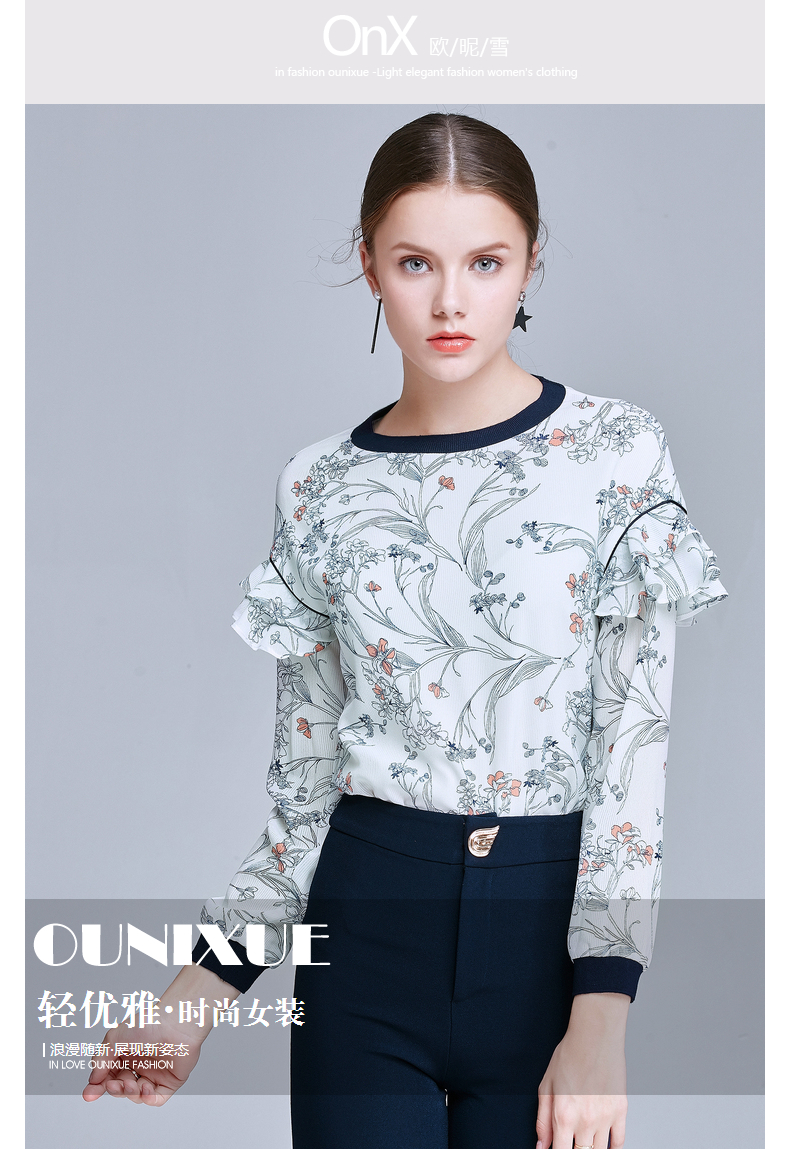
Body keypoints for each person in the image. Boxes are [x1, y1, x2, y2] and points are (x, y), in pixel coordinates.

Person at [83, 112, 729, 1148]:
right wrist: (196, 992)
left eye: (485, 262)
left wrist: (601, 1014)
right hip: (364, 947)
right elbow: (304, 790)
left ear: (530, 262)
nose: (449, 300)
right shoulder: (318, 487)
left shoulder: (617, 452)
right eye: (416, 262)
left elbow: (631, 751)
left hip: (545, 952)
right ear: (369, 264)